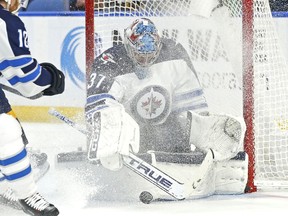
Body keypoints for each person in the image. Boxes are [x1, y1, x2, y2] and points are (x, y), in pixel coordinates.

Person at [85, 18, 248, 199]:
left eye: (150, 55)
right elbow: (99, 105)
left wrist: (202, 136)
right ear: (128, 45)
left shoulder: (174, 54)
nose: (145, 60)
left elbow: (193, 107)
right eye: (140, 55)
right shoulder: (109, 62)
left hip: (165, 132)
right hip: (130, 138)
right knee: (115, 121)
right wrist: (111, 138)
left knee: (194, 127)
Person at [0, 0, 65, 215]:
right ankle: (24, 192)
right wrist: (51, 78)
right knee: (6, 129)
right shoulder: (6, 22)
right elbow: (27, 81)